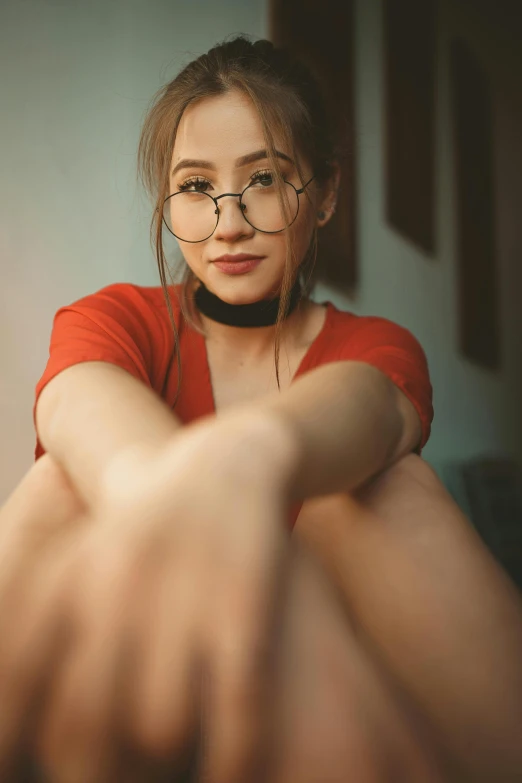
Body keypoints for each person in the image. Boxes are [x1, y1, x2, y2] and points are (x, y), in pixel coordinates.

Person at [1, 34, 522, 783]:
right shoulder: (114, 319)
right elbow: (82, 413)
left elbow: (370, 410)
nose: (229, 220)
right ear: (169, 201)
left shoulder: (375, 345)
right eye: (194, 186)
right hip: (132, 670)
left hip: (339, 702)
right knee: (66, 482)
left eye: (266, 178)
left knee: (376, 487)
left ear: (327, 193)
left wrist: (253, 467)